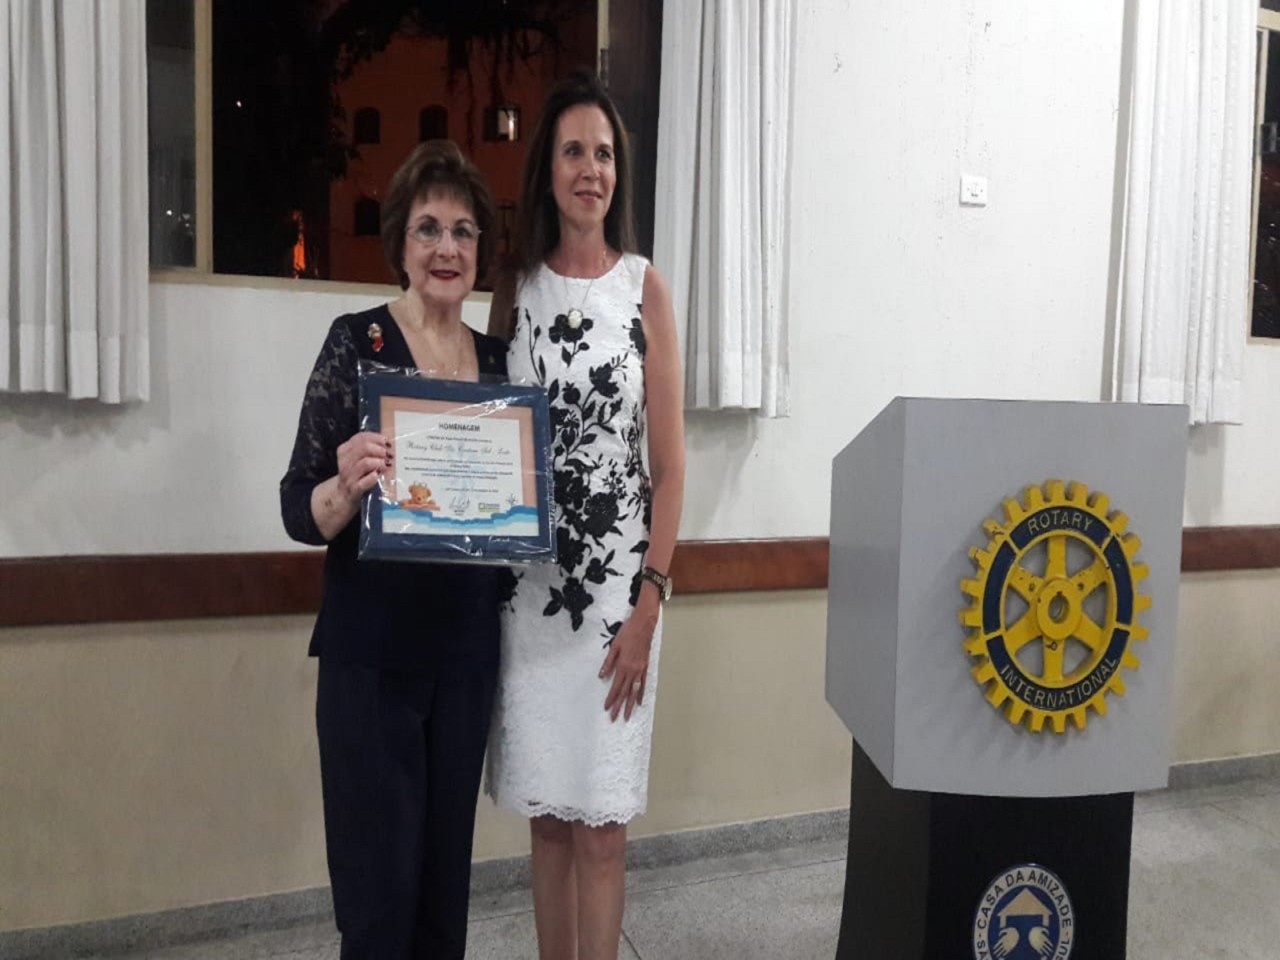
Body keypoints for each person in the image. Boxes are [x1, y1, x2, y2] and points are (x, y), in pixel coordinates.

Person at [280, 140, 508, 959]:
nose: (447, 247)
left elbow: (514, 513)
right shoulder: (357, 343)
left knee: (443, 906)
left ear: (480, 249)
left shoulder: (501, 365)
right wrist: (345, 485)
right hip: (372, 661)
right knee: (379, 907)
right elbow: (297, 508)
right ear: (401, 246)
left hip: (465, 662)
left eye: (463, 231)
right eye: (428, 229)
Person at [486, 71, 686, 960]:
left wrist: (650, 605)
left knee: (602, 830)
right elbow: (487, 438)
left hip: (617, 604)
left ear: (618, 173)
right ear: (548, 168)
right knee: (549, 825)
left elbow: (669, 469)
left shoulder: (645, 289)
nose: (590, 169)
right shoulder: (516, 289)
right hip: (531, 595)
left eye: (603, 154)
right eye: (573, 151)